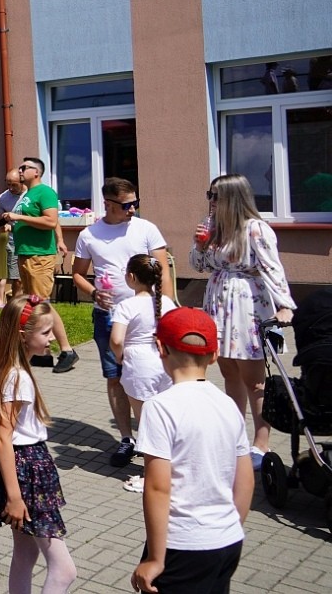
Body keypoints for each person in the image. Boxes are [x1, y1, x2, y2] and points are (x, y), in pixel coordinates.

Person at [131, 308, 251, 594]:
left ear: (159, 347)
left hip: (181, 545)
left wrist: (155, 558)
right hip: (227, 540)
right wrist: (227, 527)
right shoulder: (228, 405)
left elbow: (158, 487)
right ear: (214, 354)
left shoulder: (159, 407)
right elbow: (245, 480)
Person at [190, 173, 295, 468]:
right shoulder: (213, 227)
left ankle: (261, 444)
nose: (210, 201)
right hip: (218, 303)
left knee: (255, 380)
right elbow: (198, 267)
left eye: (215, 196)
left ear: (231, 199)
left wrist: (284, 306)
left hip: (247, 305)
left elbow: (273, 268)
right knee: (229, 374)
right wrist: (200, 244)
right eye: (208, 195)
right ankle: (235, 437)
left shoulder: (255, 229)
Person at [0, 294, 77, 594]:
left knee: (25, 553)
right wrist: (15, 497)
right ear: (23, 336)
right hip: (26, 470)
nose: (52, 339)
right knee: (64, 570)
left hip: (26, 465)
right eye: (46, 332)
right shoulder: (17, 377)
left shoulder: (15, 370)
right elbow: (3, 437)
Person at [71, 177, 174, 467]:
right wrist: (93, 292)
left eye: (135, 203)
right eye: (127, 205)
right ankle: (127, 439)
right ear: (109, 203)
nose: (133, 209)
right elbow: (78, 273)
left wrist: (166, 311)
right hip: (109, 316)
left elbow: (163, 271)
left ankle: (157, 438)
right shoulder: (90, 234)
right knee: (115, 378)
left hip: (148, 317)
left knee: (155, 375)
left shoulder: (146, 229)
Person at [5, 157, 79, 373]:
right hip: (27, 254)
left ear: (36, 172)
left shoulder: (45, 192)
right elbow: (47, 222)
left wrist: (18, 216)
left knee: (42, 304)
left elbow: (50, 221)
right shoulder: (28, 194)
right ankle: (43, 354)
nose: (20, 170)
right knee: (34, 304)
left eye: (24, 167)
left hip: (39, 256)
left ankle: (67, 350)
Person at [109, 255, 175, 493]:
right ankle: (173, 471)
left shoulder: (126, 305)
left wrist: (120, 356)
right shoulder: (167, 303)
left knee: (146, 425)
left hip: (138, 365)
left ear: (131, 277)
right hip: (166, 364)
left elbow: (116, 339)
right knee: (167, 422)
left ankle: (152, 476)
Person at [0, 170, 22, 299]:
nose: (10, 188)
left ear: (22, 181)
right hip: (13, 243)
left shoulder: (31, 195)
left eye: (14, 185)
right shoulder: (3, 198)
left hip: (30, 242)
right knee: (17, 279)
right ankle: (16, 309)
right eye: (8, 184)